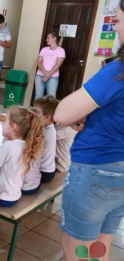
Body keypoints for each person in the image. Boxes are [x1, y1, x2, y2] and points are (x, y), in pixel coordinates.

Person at [54, 2, 124, 259]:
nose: (115, 28)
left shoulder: (118, 71)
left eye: (118, 20)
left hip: (99, 169)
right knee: (100, 247)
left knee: (77, 250)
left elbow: (62, 114)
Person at [0, 106, 44, 206]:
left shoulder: (8, 146)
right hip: (13, 194)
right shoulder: (28, 144)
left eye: (5, 122)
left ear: (13, 126)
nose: (2, 125)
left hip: (0, 196)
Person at [33, 95, 59, 183]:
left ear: (47, 117)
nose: (33, 114)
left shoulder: (47, 132)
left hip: (43, 172)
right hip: (46, 171)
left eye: (36, 113)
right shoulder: (45, 126)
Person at [34, 32, 65, 100]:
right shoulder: (44, 49)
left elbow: (58, 64)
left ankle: (49, 111)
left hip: (53, 77)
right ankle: (36, 110)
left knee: (51, 98)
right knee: (38, 96)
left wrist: (48, 75)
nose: (46, 40)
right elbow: (39, 62)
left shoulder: (61, 51)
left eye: (48, 38)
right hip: (40, 75)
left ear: (54, 39)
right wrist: (45, 72)